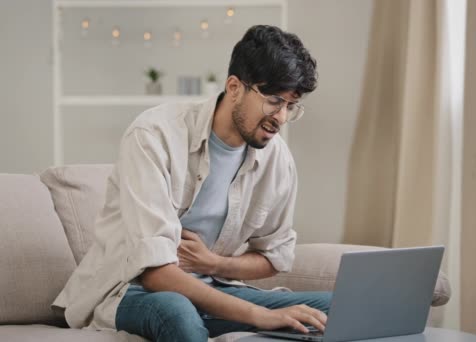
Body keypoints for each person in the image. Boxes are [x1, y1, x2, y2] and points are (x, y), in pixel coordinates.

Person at [52, 25, 331, 342]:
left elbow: (274, 257)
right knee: (177, 312)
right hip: (133, 290)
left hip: (214, 289)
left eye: (291, 106)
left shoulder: (277, 160)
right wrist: (261, 316)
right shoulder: (154, 135)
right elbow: (155, 271)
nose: (280, 118)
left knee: (334, 309)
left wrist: (215, 264)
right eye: (274, 101)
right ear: (234, 87)